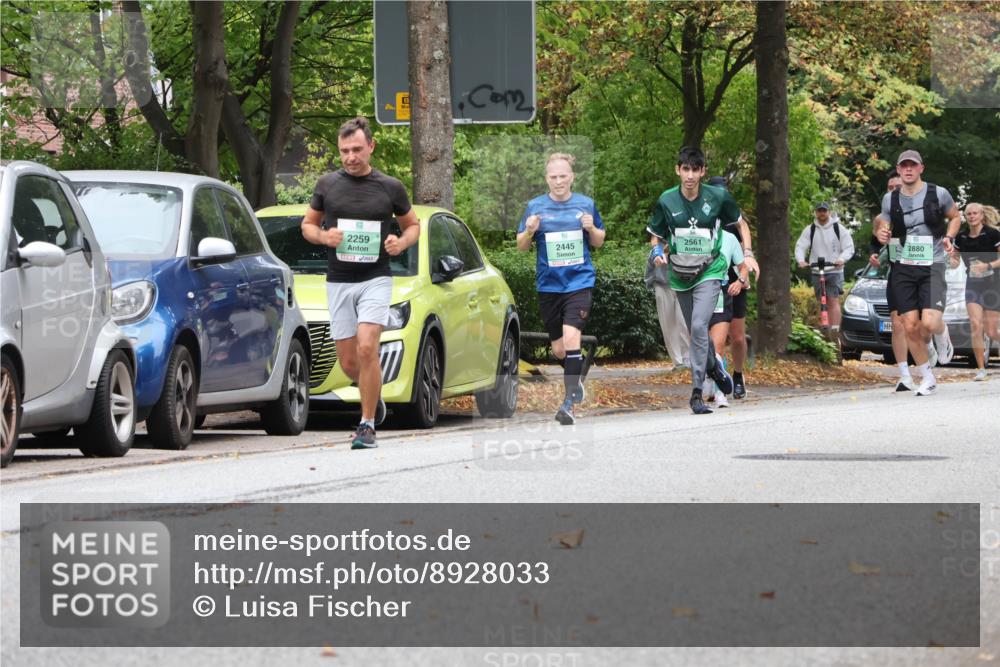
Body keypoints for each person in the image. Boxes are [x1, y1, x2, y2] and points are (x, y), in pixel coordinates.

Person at [301, 117, 420, 449]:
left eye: (356, 149)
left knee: (368, 346)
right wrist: (324, 236)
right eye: (344, 151)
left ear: (371, 147)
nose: (350, 157)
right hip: (339, 280)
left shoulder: (390, 187)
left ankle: (366, 425)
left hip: (375, 278)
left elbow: (413, 226)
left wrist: (402, 243)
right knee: (350, 362)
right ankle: (373, 393)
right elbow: (307, 226)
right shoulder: (327, 185)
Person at [647, 146, 738, 415]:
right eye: (685, 169)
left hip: (710, 271)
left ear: (702, 172)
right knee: (695, 330)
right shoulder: (666, 200)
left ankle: (696, 392)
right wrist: (656, 252)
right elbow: (656, 235)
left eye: (695, 170)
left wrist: (747, 253)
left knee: (699, 325)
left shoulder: (718, 197)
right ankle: (713, 366)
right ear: (678, 170)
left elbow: (741, 223)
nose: (689, 175)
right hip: (680, 274)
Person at [517, 153, 606, 425]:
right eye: (553, 177)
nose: (558, 181)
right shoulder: (535, 207)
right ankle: (576, 382)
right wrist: (530, 231)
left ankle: (568, 404)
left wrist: (591, 229)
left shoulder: (585, 204)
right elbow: (521, 245)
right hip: (549, 286)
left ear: (572, 177)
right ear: (546, 179)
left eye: (563, 176)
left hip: (579, 282)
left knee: (571, 339)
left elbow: (600, 241)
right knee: (558, 350)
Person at [874, 149, 962, 396]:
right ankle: (927, 377)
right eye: (904, 166)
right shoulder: (889, 199)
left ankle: (942, 334)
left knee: (930, 322)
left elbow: (955, 217)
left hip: (932, 263)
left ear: (921, 168)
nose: (908, 170)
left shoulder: (938, 193)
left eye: (913, 165)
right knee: (909, 325)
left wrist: (949, 237)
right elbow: (883, 224)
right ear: (899, 170)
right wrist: (881, 233)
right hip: (903, 265)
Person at [707, 176, 759, 399]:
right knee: (714, 336)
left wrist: (747, 258)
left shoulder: (734, 218)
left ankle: (738, 375)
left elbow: (744, 238)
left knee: (737, 337)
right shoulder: (703, 215)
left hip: (734, 279)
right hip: (712, 280)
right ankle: (716, 380)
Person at [868, 172, 913, 390]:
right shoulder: (882, 219)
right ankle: (904, 374)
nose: (893, 190)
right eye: (890, 187)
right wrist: (875, 254)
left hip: (922, 272)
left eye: (898, 186)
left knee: (922, 324)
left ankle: (931, 344)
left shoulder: (918, 210)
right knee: (897, 322)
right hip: (897, 272)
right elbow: (875, 243)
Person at [950, 203, 1000, 380]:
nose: (972, 216)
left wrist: (987, 265)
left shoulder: (993, 234)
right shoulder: (961, 237)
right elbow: (954, 260)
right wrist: (952, 261)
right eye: (968, 214)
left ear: (981, 215)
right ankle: (981, 369)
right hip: (973, 285)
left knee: (992, 331)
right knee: (975, 325)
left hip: (993, 284)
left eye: (975, 213)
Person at [703, 229, 750, 407]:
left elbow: (745, 261)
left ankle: (736, 376)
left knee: (736, 337)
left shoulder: (732, 227)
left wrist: (742, 280)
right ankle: (710, 378)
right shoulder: (697, 226)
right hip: (706, 287)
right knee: (705, 342)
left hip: (732, 286)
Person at [795, 202, 855, 332]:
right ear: (816, 213)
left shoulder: (838, 229)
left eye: (824, 211)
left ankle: (835, 330)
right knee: (821, 301)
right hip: (817, 270)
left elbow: (849, 247)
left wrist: (841, 259)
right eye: (819, 211)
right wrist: (801, 260)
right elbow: (800, 246)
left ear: (828, 212)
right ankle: (823, 330)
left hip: (834, 269)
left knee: (833, 300)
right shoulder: (810, 229)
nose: (822, 213)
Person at [645, 234, 691, 369]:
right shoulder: (656, 248)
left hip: (683, 285)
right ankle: (678, 362)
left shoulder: (684, 242)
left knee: (683, 322)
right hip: (662, 286)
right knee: (668, 324)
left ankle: (687, 358)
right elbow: (650, 267)